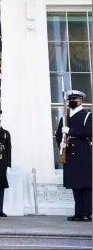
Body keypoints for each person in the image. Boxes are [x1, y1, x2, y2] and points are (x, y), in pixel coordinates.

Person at [56, 90, 92, 222]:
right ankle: (78, 213)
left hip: (83, 153)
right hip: (70, 153)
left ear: (79, 101)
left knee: (86, 186)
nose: (70, 102)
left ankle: (87, 213)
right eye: (69, 100)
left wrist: (70, 131)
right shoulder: (65, 117)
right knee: (76, 185)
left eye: (72, 100)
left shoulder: (87, 115)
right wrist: (61, 146)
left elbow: (89, 131)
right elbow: (59, 135)